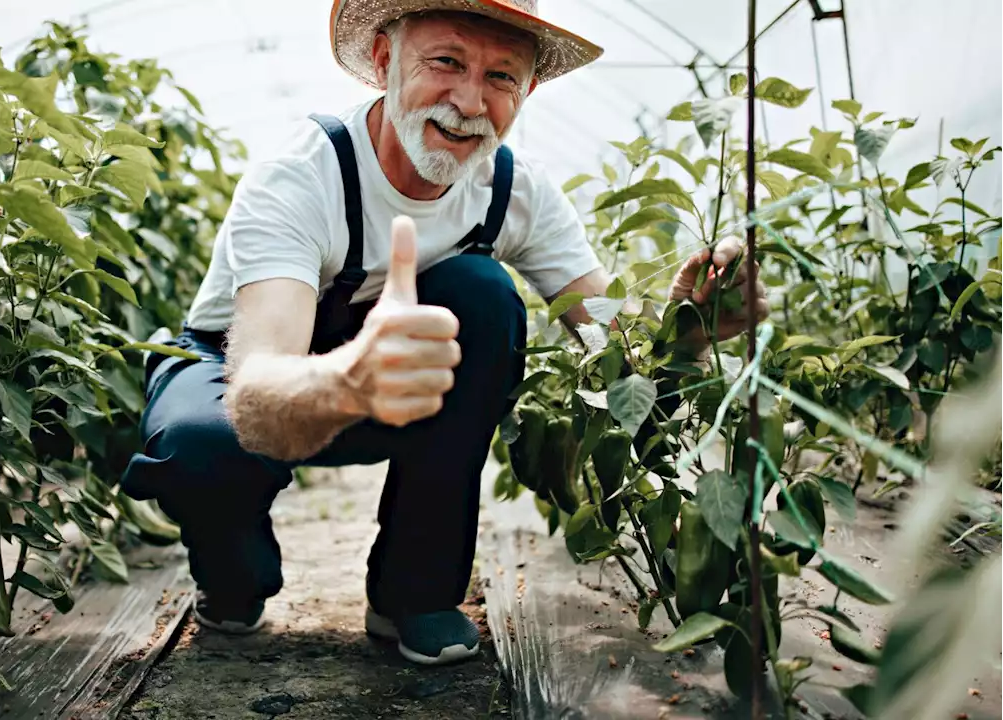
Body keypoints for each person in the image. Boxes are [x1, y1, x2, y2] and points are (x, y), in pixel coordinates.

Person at [121, 0, 768, 667]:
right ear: (383, 60)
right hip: (244, 380)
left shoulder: (515, 192)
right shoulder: (304, 176)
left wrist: (690, 335)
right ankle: (232, 576)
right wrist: (350, 377)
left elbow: (618, 358)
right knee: (202, 449)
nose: (469, 100)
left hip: (399, 380)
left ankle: (416, 593)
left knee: (486, 297)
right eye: (447, 62)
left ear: (529, 92)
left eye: (501, 77)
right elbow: (256, 392)